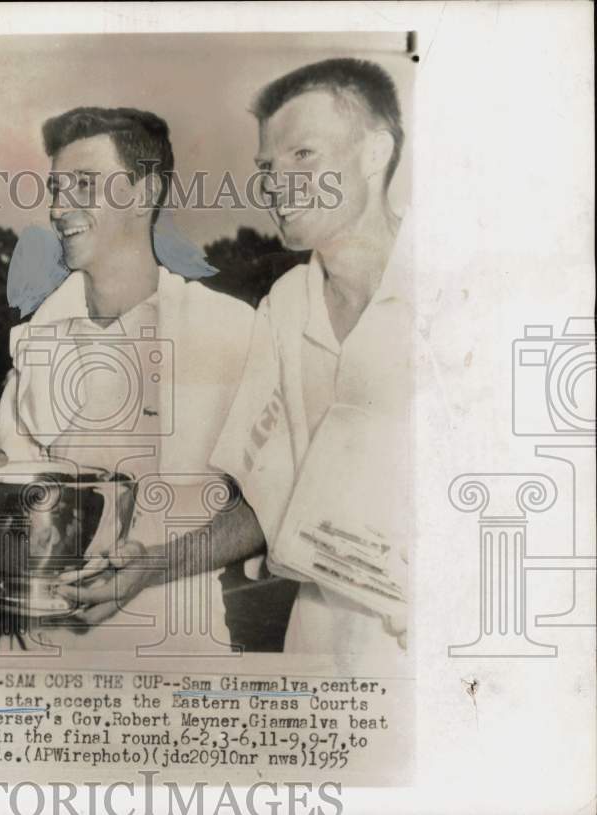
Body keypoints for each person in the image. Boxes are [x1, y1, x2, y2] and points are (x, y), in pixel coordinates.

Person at [71, 58, 438, 654]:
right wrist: (152, 566)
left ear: (375, 153)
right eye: (267, 166)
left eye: (304, 156)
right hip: (320, 651)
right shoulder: (286, 306)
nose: (275, 183)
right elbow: (270, 499)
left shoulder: (465, 291)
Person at [0, 106, 256, 651]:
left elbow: (270, 507)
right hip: (33, 662)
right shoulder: (36, 337)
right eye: (56, 189)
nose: (61, 208)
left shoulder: (233, 331)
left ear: (143, 192)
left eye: (84, 186)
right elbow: (8, 497)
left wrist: (150, 568)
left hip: (177, 661)